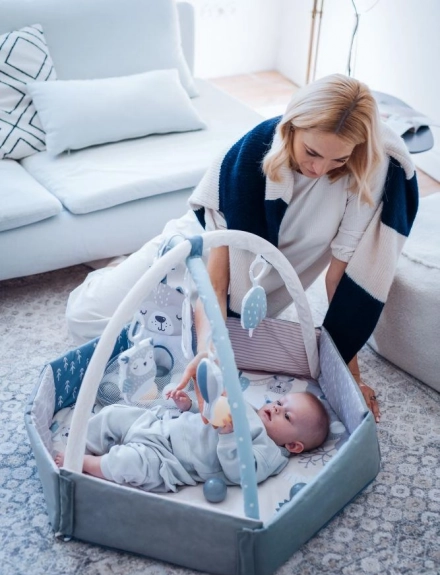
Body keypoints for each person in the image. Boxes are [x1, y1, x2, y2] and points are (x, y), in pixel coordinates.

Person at [65, 74, 419, 424]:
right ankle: (115, 269)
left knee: (179, 363)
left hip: (254, 290)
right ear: (291, 127)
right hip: (197, 250)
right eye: (311, 152)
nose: (320, 168)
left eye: (337, 159)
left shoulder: (362, 173)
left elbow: (339, 281)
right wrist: (209, 350)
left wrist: (350, 376)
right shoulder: (245, 162)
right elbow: (216, 282)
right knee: (86, 322)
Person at [54, 390, 329, 491]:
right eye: (280, 402)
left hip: (168, 461)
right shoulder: (248, 408)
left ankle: (83, 462)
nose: (277, 408)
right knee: (114, 414)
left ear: (293, 446)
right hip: (160, 425)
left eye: (287, 416)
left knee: (128, 463)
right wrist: (190, 407)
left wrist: (229, 436)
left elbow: (242, 473)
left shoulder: (269, 453)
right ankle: (80, 442)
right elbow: (211, 412)